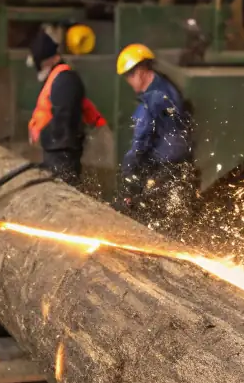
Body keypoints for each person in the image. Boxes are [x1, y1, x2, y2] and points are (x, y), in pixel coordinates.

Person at [116, 42, 196, 232]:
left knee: (155, 220)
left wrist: (128, 177)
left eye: (129, 75)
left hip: (164, 168)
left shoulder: (152, 101)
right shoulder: (167, 87)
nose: (129, 81)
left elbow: (139, 144)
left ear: (141, 71)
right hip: (177, 164)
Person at [27, 26, 106, 185]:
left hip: (62, 154)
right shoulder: (57, 78)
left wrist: (43, 136)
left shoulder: (65, 80)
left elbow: (64, 121)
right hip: (55, 151)